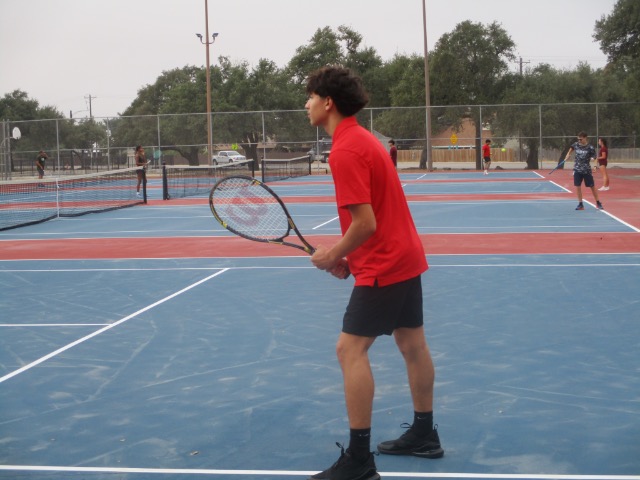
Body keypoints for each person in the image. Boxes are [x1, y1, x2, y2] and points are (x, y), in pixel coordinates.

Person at [305, 66, 443, 480]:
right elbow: (375, 216)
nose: (307, 104)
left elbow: (365, 223)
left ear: (328, 102)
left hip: (386, 263)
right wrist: (350, 259)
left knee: (349, 351)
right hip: (404, 255)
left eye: (311, 97)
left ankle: (359, 460)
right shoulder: (365, 140)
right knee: (412, 343)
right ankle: (424, 434)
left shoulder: (345, 150)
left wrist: (333, 254)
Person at [563, 132, 603, 211]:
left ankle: (598, 202)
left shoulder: (590, 147)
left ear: (585, 138)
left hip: (586, 170)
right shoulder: (576, 144)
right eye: (578, 139)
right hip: (577, 169)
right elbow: (570, 150)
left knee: (592, 186)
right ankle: (580, 204)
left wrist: (595, 166)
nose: (579, 141)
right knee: (578, 187)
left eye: (581, 139)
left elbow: (595, 158)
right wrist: (567, 156)